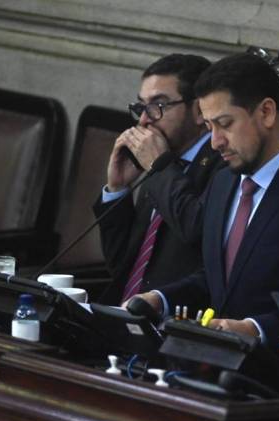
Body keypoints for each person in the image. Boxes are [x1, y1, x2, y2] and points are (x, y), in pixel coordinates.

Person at [132, 53, 279, 353]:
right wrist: (160, 299)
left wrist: (254, 330)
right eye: (209, 126)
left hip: (276, 380)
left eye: (225, 124)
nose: (215, 141)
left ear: (267, 113)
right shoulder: (223, 182)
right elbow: (218, 279)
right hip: (208, 365)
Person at [93, 54, 223, 305]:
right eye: (141, 107)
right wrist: (118, 189)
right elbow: (121, 265)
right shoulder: (161, 160)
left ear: (200, 111)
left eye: (159, 106)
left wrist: (160, 167)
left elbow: (196, 233)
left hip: (177, 321)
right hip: (123, 313)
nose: (144, 119)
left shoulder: (224, 165)